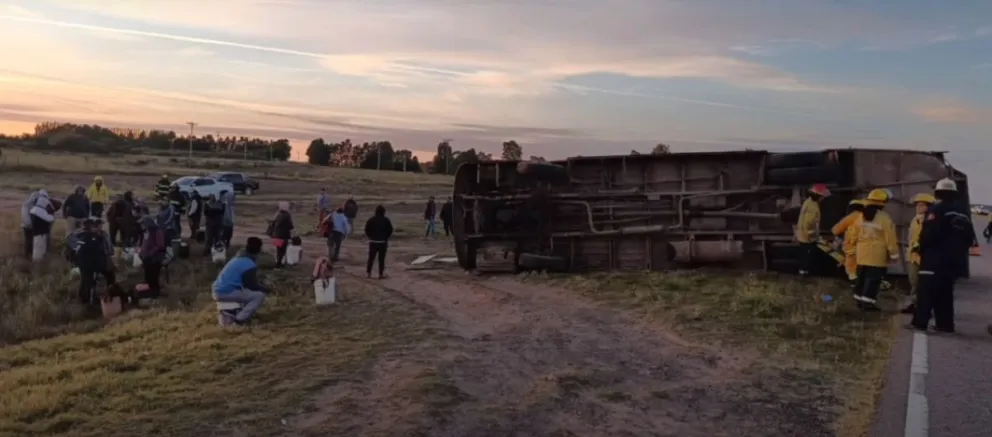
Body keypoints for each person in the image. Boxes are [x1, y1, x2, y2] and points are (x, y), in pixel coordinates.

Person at [911, 179, 973, 333]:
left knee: (926, 291)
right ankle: (945, 325)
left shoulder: (936, 210)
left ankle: (920, 323)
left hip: (934, 259)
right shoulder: (963, 213)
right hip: (953, 261)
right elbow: (969, 237)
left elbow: (930, 233)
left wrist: (921, 247)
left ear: (938, 192)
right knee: (945, 293)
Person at [849, 189, 899, 311]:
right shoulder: (884, 218)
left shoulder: (860, 216)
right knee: (873, 280)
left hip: (861, 254)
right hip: (877, 255)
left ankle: (859, 300)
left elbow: (853, 235)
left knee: (861, 278)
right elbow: (890, 238)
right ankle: (868, 303)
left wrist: (854, 246)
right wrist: (894, 254)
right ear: (882, 202)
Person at [212, 237, 269, 325]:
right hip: (227, 292)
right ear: (258, 251)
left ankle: (235, 313)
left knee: (246, 293)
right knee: (259, 296)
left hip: (217, 290)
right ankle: (239, 320)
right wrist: (265, 288)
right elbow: (252, 286)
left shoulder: (237, 258)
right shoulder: (249, 264)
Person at [901, 193, 936, 314]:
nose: (918, 207)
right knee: (914, 282)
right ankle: (914, 304)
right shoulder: (914, 219)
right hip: (913, 257)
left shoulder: (930, 221)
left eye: (921, 205)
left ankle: (923, 307)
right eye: (917, 205)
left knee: (923, 285)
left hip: (923, 258)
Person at [73, 217, 117, 305]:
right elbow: (97, 253)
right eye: (96, 226)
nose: (99, 228)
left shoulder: (80, 236)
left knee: (85, 282)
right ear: (91, 227)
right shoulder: (93, 238)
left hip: (84, 264)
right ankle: (88, 302)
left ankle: (83, 300)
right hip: (91, 265)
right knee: (89, 283)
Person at [795, 184, 831, 276]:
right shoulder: (813, 207)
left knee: (804, 255)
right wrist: (815, 235)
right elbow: (809, 223)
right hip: (807, 237)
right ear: (819, 196)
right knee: (808, 256)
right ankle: (805, 274)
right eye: (822, 197)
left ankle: (804, 272)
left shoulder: (808, 202)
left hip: (802, 234)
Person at [831, 199, 865, 283]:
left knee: (851, 269)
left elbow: (836, 230)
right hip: (867, 247)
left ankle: (853, 284)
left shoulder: (852, 216)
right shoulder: (868, 216)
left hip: (853, 248)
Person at [138, 215, 167, 297]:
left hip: (155, 258)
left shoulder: (158, 231)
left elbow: (160, 245)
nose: (141, 226)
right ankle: (149, 292)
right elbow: (145, 242)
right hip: (147, 258)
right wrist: (141, 252)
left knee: (153, 277)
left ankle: (155, 293)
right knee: (148, 277)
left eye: (143, 224)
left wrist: (150, 253)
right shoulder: (147, 231)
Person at [364, 205, 394, 279]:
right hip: (382, 242)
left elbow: (366, 229)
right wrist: (386, 238)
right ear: (383, 212)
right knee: (381, 259)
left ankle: (368, 273)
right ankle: (380, 274)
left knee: (371, 258)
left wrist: (370, 237)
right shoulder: (386, 220)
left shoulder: (371, 220)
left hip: (373, 241)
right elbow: (390, 230)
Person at [28, 192, 57, 262]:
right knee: (38, 251)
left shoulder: (34, 210)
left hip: (38, 233)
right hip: (40, 234)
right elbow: (50, 219)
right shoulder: (40, 211)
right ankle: (37, 265)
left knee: (38, 249)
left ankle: (38, 263)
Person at [20, 189, 45, 259]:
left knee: (35, 242)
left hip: (35, 227)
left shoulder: (38, 205)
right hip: (27, 227)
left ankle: (32, 256)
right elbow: (26, 217)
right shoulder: (27, 205)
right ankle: (27, 256)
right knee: (29, 241)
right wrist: (31, 225)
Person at [268, 201, 294, 267]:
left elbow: (272, 223)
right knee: (283, 250)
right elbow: (290, 226)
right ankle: (280, 263)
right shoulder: (287, 215)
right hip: (284, 235)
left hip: (276, 235)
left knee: (278, 249)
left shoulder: (277, 214)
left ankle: (277, 262)